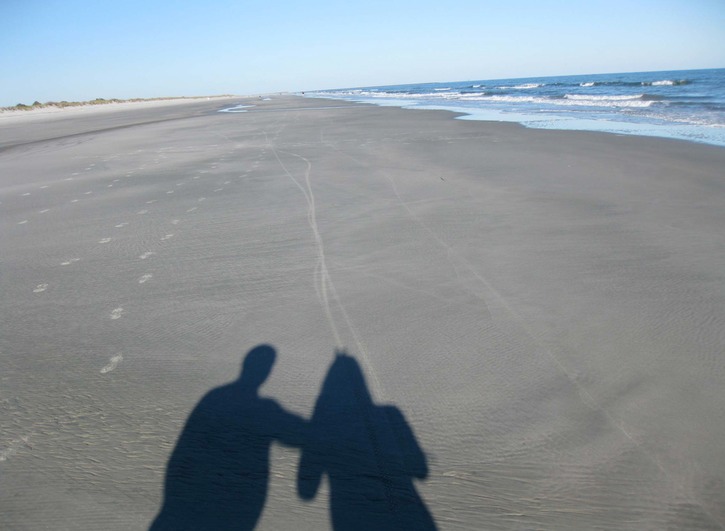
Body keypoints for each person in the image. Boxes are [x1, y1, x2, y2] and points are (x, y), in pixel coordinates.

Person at [151, 345, 305, 530]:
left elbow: (184, 448)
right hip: (236, 496)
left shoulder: (215, 396)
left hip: (204, 492)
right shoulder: (264, 407)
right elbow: (295, 435)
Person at [298, 352, 436, 530]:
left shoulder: (324, 416)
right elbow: (422, 471)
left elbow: (307, 485)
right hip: (399, 506)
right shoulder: (391, 412)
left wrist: (308, 487)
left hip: (346, 506)